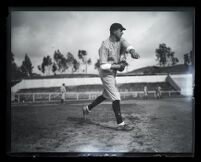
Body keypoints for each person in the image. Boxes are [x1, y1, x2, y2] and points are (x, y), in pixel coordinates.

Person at [82, 23, 140, 131]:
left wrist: (132, 52)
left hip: (113, 72)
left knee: (106, 95)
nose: (122, 32)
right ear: (114, 31)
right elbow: (103, 65)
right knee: (115, 96)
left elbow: (128, 45)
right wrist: (118, 66)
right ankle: (121, 124)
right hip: (105, 73)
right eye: (120, 30)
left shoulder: (120, 40)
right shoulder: (105, 45)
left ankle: (87, 108)